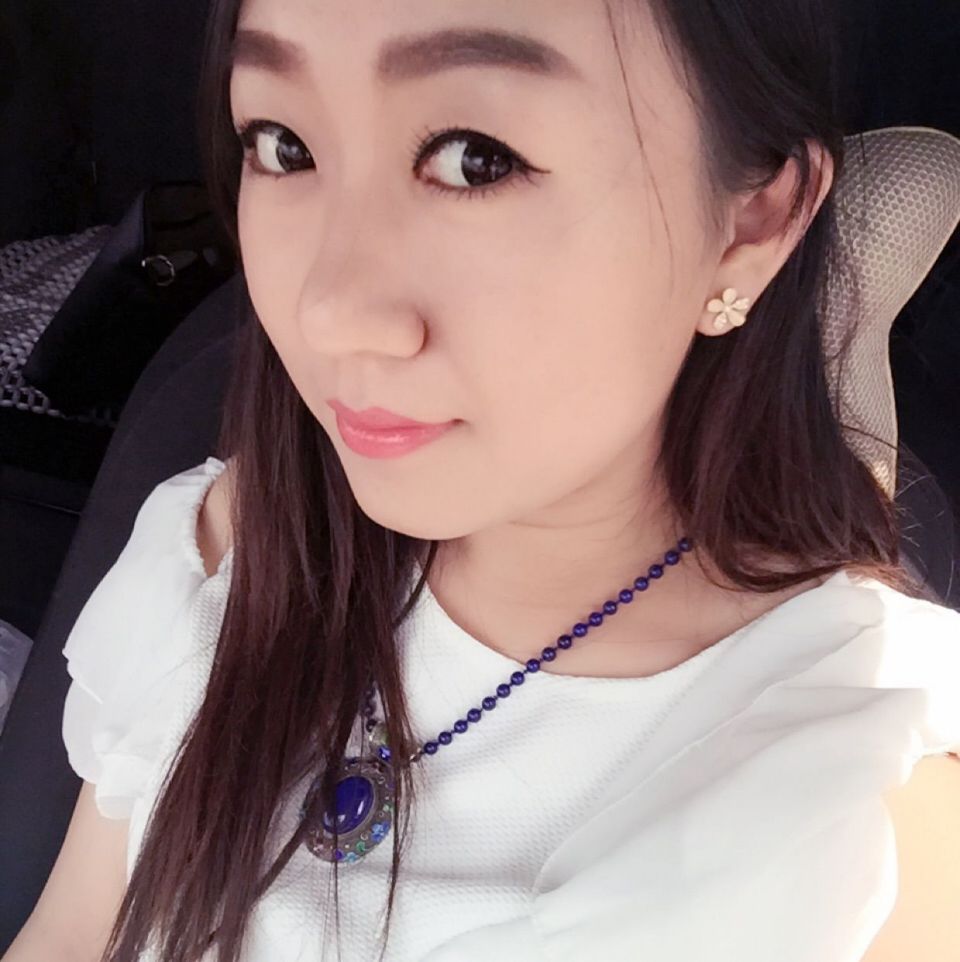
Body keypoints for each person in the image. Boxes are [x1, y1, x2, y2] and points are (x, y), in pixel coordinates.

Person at [5, 1, 960, 960]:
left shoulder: (858, 831)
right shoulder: (235, 545)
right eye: (284, 145)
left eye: (476, 160)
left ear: (754, 221)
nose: (329, 309)